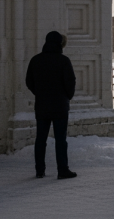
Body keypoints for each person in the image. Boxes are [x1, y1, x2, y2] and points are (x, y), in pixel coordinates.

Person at [26, 31, 77, 180]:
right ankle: (62, 170)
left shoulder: (36, 60)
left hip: (42, 105)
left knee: (40, 139)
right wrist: (67, 96)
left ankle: (39, 170)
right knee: (61, 139)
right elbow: (70, 82)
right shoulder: (63, 61)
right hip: (60, 106)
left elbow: (29, 81)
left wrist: (39, 93)